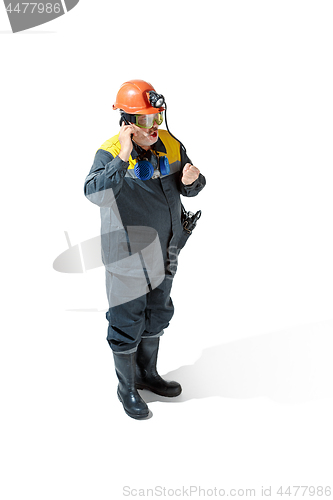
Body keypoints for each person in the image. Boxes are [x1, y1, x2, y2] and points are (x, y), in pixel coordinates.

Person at [84, 79, 206, 419]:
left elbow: (192, 187)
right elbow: (94, 193)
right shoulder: (109, 152)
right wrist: (123, 156)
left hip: (167, 249)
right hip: (126, 255)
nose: (153, 127)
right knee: (126, 319)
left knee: (158, 312)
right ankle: (126, 388)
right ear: (126, 122)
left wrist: (191, 181)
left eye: (157, 118)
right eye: (145, 120)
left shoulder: (170, 144)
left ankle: (146, 375)